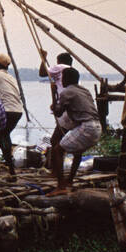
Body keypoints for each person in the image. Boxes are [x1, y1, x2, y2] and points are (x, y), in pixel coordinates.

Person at [48, 67, 101, 195]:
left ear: (67, 79)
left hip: (87, 127)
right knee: (78, 151)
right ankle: (69, 181)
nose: (62, 80)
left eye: (63, 78)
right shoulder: (85, 90)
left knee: (57, 150)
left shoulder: (66, 92)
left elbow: (58, 112)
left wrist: (54, 95)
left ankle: (61, 186)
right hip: (97, 127)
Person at [0, 53, 23, 176]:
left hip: (8, 110)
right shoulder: (10, 77)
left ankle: (10, 168)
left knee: (1, 135)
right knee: (4, 134)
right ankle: (9, 165)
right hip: (18, 111)